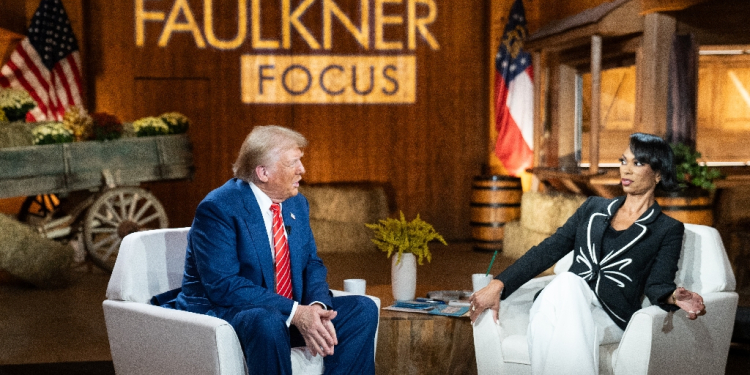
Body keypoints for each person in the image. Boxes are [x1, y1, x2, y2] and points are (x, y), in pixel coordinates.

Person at [469, 133, 707, 374]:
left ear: (658, 173)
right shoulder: (593, 208)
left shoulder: (667, 229)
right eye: (623, 161)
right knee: (567, 285)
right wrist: (499, 284)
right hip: (564, 299)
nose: (626, 170)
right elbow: (549, 249)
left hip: (611, 312)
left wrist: (674, 297)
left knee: (554, 306)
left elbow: (659, 283)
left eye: (637, 163)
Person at [172, 125, 378, 375]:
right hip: (230, 312)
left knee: (362, 309)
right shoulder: (218, 208)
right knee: (267, 321)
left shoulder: (296, 203)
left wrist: (316, 307)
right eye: (294, 163)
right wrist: (295, 312)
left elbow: (311, 263)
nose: (302, 170)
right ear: (263, 172)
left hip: (281, 311)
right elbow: (224, 285)